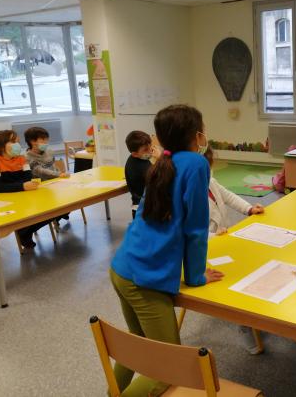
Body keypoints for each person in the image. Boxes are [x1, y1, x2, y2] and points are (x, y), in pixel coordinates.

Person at [109, 105, 224, 396]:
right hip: (143, 280)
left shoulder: (163, 162)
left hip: (122, 267)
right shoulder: (196, 164)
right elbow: (196, 229)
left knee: (139, 344)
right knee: (168, 372)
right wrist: (196, 276)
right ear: (198, 135)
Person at [0, 130, 51, 249]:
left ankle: (25, 231)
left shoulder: (21, 158)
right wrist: (22, 186)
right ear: (1, 145)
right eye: (13, 142)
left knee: (53, 210)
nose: (18, 145)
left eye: (18, 142)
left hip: (25, 196)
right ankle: (24, 232)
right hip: (7, 201)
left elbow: (28, 178)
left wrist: (25, 186)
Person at [203, 147, 264, 237]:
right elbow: (191, 231)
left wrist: (249, 209)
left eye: (209, 168)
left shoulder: (211, 183)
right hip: (207, 243)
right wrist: (212, 236)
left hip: (224, 233)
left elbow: (230, 197)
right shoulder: (191, 195)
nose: (209, 172)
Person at [124, 130, 153, 219]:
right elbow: (158, 178)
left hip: (142, 204)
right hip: (143, 207)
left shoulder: (138, 158)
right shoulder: (139, 166)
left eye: (150, 146)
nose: (150, 150)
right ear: (135, 154)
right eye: (146, 149)